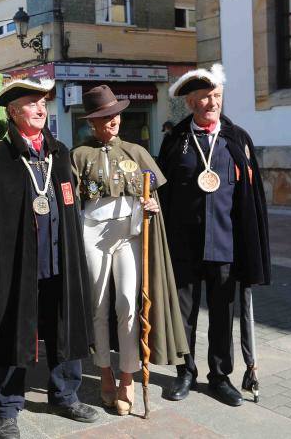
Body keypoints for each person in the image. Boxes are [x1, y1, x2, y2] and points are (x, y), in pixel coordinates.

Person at [0, 79, 98, 439]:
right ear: (12, 112)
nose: (41, 109)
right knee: (14, 332)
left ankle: (65, 394)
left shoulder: (60, 153)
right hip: (17, 267)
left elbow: (70, 206)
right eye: (32, 104)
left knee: (63, 326)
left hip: (59, 261)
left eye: (43, 103)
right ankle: (7, 407)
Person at [70, 85, 189, 415]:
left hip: (129, 235)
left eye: (115, 115)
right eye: (104, 117)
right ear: (92, 122)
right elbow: (72, 202)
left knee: (127, 304)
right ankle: (104, 372)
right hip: (92, 233)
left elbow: (156, 192)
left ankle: (127, 376)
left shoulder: (137, 152)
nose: (112, 122)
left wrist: (153, 203)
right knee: (97, 305)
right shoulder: (79, 155)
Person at [157, 64, 271, 407]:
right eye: (205, 97)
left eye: (216, 96)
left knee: (223, 314)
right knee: (184, 314)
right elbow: (162, 194)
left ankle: (220, 376)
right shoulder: (175, 141)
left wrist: (251, 246)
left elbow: (251, 198)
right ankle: (185, 372)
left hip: (225, 244)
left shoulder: (237, 139)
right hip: (184, 245)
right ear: (191, 103)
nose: (212, 103)